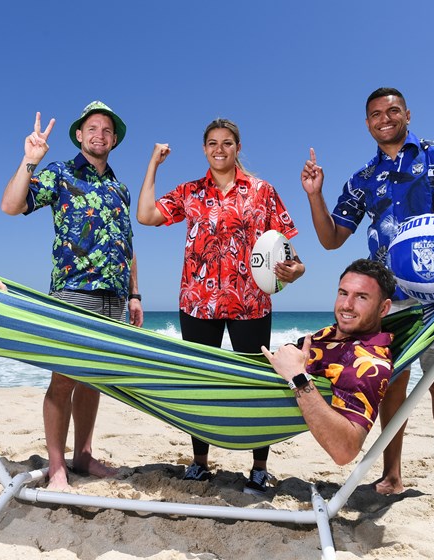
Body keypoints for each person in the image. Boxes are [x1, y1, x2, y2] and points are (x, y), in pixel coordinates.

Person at [299, 87, 434, 512]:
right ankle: (392, 473)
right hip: (387, 299)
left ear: (407, 114)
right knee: (390, 382)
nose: (384, 119)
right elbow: (332, 239)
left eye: (392, 111)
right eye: (375, 114)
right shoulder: (362, 178)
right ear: (367, 122)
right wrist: (315, 194)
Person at [136, 118, 305, 495]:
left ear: (237, 147)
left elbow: (293, 254)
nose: (219, 149)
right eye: (212, 143)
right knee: (201, 384)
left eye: (226, 143)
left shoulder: (263, 192)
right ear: (204, 149)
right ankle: (199, 464)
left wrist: (294, 271)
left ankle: (259, 468)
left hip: (251, 303)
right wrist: (153, 165)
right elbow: (145, 215)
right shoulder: (190, 192)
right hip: (198, 303)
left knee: (257, 384)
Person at [1, 100, 144, 490]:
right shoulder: (60, 173)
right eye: (92, 128)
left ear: (114, 140)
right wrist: (30, 159)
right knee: (63, 379)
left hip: (114, 298)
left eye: (107, 130)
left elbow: (126, 245)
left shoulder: (120, 188)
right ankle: (57, 466)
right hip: (72, 293)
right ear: (80, 135)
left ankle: (82, 454)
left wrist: (135, 295)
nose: (100, 135)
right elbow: (11, 205)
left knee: (93, 378)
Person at [261, 259, 395, 465]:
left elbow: (345, 450)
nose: (347, 305)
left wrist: (298, 377)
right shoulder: (335, 334)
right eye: (343, 293)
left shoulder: (369, 366)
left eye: (361, 297)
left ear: (383, 309)